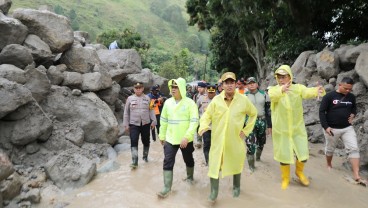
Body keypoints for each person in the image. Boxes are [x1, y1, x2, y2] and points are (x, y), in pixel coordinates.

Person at [198, 72, 257, 203]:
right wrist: (203, 126)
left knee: (236, 161)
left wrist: (246, 130)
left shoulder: (243, 100)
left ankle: (236, 186)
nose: (230, 85)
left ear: (236, 84)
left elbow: (253, 114)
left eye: (232, 82)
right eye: (226, 83)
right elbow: (206, 116)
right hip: (218, 139)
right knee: (214, 164)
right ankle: (214, 192)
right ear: (222, 85)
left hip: (235, 139)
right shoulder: (216, 101)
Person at [268, 65, 325, 190]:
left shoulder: (298, 88)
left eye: (284, 76)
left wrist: (317, 90)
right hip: (281, 129)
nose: (281, 79)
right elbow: (272, 96)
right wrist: (281, 90)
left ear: (290, 76)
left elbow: (308, 92)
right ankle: (285, 178)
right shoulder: (273, 89)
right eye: (279, 77)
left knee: (303, 153)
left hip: (297, 129)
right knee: (284, 155)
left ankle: (299, 172)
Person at [319, 77, 367, 186]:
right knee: (330, 149)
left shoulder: (351, 97)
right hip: (332, 129)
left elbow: (354, 108)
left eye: (350, 89)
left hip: (347, 128)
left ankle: (356, 175)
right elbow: (322, 112)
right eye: (346, 88)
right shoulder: (329, 96)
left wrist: (353, 115)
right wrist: (326, 127)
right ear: (339, 85)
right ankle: (329, 164)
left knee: (354, 148)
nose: (348, 91)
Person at [157, 78, 199, 198]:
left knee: (188, 159)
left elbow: (194, 121)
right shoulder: (168, 103)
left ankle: (190, 177)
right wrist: (162, 135)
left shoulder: (190, 103)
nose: (173, 89)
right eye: (172, 87)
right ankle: (167, 187)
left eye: (176, 87)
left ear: (181, 88)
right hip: (170, 138)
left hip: (185, 139)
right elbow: (163, 120)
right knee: (168, 161)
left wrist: (187, 136)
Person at [123, 82, 156, 169]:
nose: (138, 89)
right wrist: (126, 124)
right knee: (134, 140)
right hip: (134, 124)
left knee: (146, 140)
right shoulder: (130, 99)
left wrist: (154, 121)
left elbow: (151, 110)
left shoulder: (147, 98)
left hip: (145, 123)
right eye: (136, 88)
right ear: (134, 89)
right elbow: (126, 112)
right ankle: (135, 161)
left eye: (140, 88)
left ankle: (145, 157)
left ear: (142, 89)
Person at [244, 77, 272, 171]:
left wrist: (269, 125)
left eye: (253, 82)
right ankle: (251, 166)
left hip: (262, 120)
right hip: (249, 121)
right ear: (247, 85)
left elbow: (268, 111)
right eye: (249, 83)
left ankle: (258, 157)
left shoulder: (264, 95)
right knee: (250, 143)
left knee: (261, 142)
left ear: (257, 84)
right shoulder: (244, 96)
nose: (251, 84)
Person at [197, 84, 217, 166]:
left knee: (215, 144)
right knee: (207, 144)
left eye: (212, 92)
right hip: (206, 126)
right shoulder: (201, 98)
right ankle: (208, 161)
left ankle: (215, 160)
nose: (211, 94)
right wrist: (199, 119)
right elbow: (195, 109)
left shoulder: (219, 99)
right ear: (207, 91)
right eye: (209, 92)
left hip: (216, 126)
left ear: (215, 92)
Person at [193, 81, 207, 148]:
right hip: (199, 115)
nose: (199, 89)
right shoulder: (196, 96)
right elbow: (194, 105)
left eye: (201, 87)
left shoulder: (207, 95)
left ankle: (206, 141)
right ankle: (199, 141)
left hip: (206, 116)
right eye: (198, 87)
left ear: (204, 88)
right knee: (198, 128)